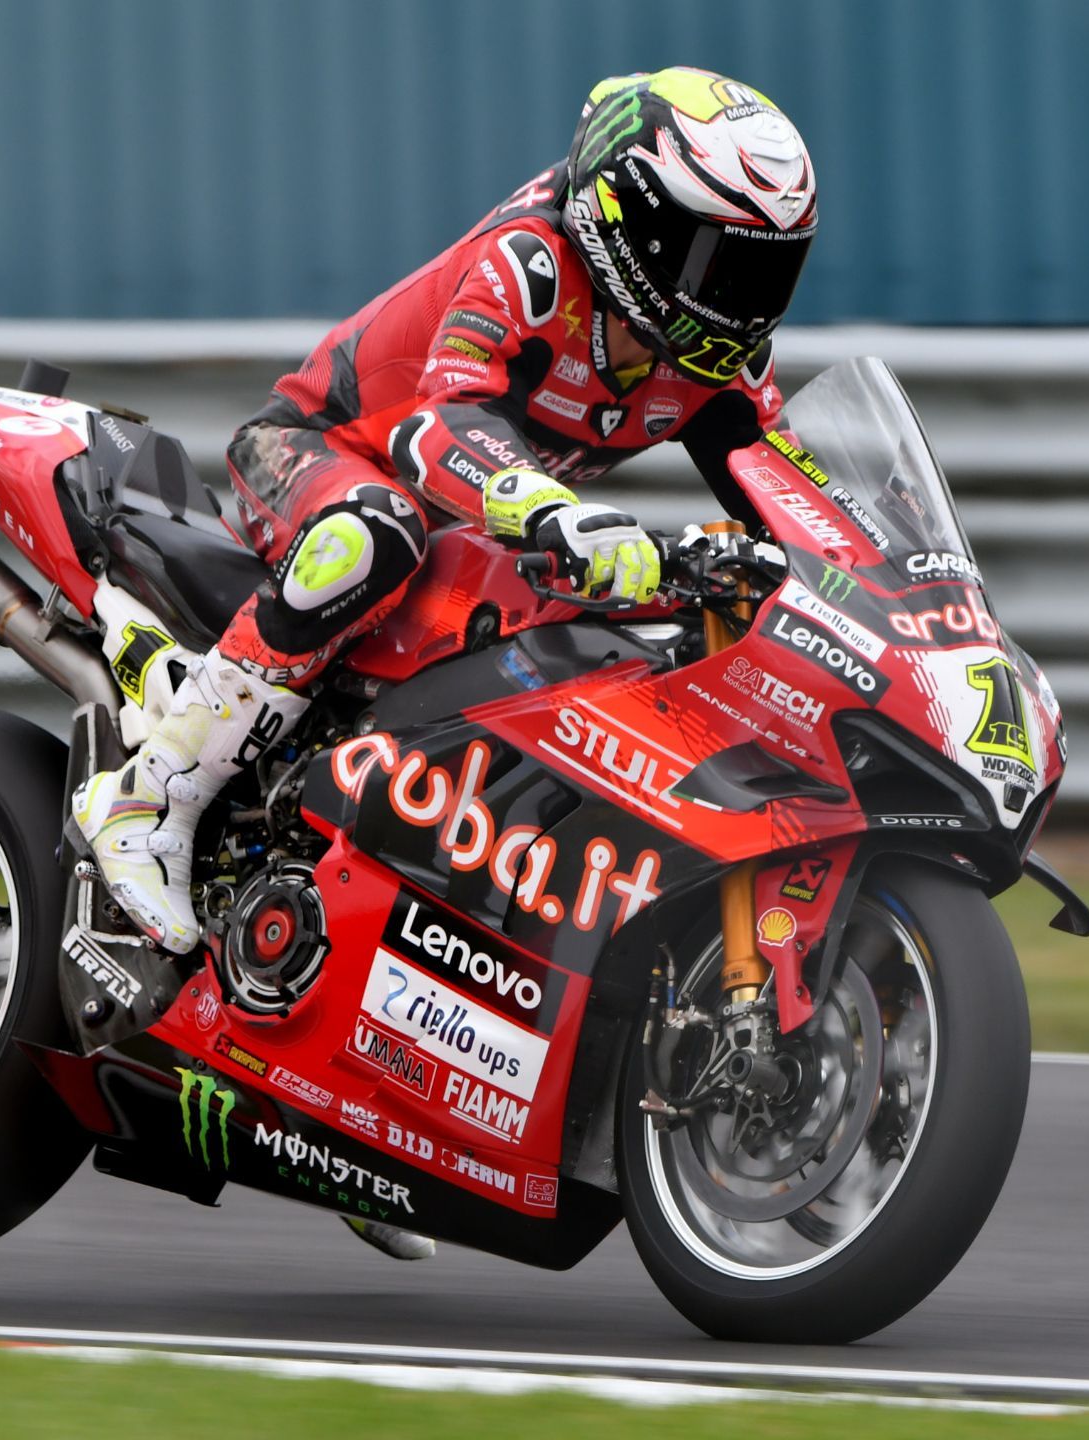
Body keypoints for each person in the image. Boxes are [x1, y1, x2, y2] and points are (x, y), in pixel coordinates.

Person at [74, 68, 817, 1259]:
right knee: (379, 534)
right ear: (635, 223)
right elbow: (438, 426)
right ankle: (152, 795)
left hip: (488, 522)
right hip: (322, 453)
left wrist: (848, 587)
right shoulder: (532, 263)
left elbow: (793, 489)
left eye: (768, 271)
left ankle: (378, 1058)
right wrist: (561, 518)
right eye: (722, 262)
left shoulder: (705, 360)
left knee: (579, 667)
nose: (743, 300)